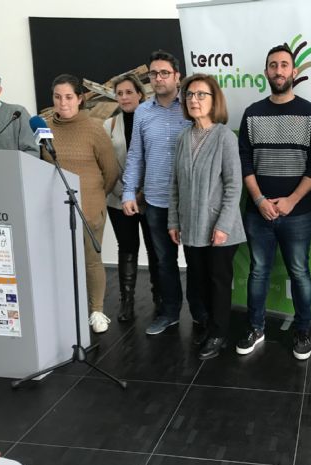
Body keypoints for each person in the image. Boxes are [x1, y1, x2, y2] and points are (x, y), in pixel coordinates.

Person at [236, 45, 311, 360]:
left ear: (294, 72)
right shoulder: (252, 113)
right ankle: (256, 327)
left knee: (299, 271)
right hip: (258, 211)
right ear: (266, 73)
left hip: (298, 212)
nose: (278, 70)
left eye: (284, 65)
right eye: (273, 65)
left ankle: (303, 330)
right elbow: (244, 161)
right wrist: (259, 199)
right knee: (258, 270)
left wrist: (291, 200)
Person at [122, 50, 206, 335]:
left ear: (177, 76)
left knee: (196, 262)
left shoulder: (192, 106)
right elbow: (135, 156)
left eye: (164, 73)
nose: (158, 78)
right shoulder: (143, 112)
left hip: (192, 200)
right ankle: (169, 313)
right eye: (153, 74)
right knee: (163, 262)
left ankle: (200, 314)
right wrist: (128, 193)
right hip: (156, 202)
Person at [168, 73, 245, 360]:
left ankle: (219, 333)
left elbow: (234, 184)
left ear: (214, 101)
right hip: (190, 226)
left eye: (201, 94)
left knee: (218, 282)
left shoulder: (224, 136)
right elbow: (173, 184)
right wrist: (173, 222)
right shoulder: (182, 138)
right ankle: (210, 324)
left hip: (219, 227)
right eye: (189, 94)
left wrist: (223, 225)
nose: (194, 100)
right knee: (198, 281)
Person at [45, 74, 119, 333]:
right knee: (59, 261)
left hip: (89, 209)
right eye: (57, 97)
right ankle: (65, 309)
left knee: (91, 261)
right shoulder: (44, 130)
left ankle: (96, 311)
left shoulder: (94, 129)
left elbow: (111, 171)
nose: (63, 103)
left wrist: (95, 195)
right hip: (54, 211)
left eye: (68, 97)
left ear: (79, 99)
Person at [104, 74, 159, 323]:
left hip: (150, 199)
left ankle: (160, 298)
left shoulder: (152, 120)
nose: (124, 97)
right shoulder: (109, 126)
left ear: (140, 94)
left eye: (129, 92)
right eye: (120, 93)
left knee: (155, 249)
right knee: (127, 248)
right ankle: (127, 302)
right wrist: (122, 193)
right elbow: (106, 166)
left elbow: (158, 160)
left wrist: (141, 194)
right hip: (118, 200)